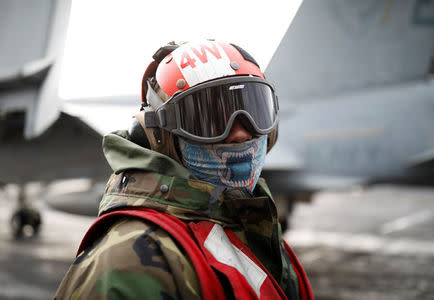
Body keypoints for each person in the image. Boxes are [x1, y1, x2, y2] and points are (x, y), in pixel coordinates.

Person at [55, 40, 313, 300]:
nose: (240, 133)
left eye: (255, 111)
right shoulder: (126, 264)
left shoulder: (256, 231)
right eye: (211, 119)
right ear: (159, 137)